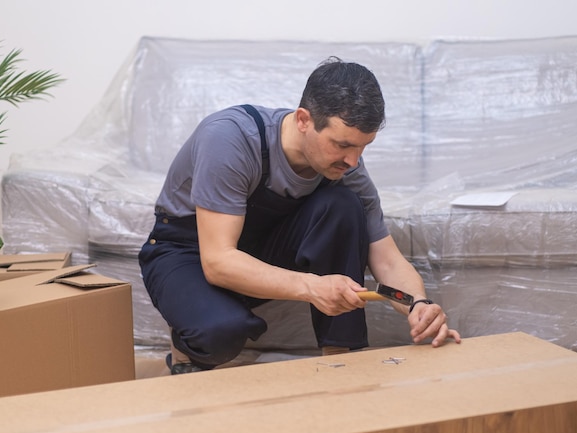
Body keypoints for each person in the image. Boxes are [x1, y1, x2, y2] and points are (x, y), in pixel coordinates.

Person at [139, 57, 461, 375]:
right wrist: (312, 286)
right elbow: (218, 261)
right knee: (220, 332)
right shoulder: (230, 139)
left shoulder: (346, 168)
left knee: (343, 205)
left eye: (363, 147)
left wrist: (417, 304)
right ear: (304, 120)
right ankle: (185, 350)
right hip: (189, 253)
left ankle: (339, 362)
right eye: (342, 145)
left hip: (258, 248)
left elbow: (387, 260)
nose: (352, 160)